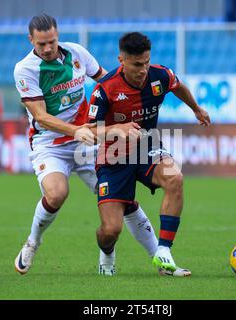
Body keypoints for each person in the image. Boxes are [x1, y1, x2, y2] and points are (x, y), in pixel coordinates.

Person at [13, 14, 162, 276]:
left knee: (123, 201)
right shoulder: (25, 69)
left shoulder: (77, 53)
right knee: (56, 194)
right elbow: (40, 116)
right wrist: (75, 130)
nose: (47, 48)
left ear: (57, 35)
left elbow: (109, 84)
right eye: (41, 44)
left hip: (90, 139)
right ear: (31, 40)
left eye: (51, 41)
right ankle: (33, 241)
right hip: (50, 143)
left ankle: (161, 259)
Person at [88, 32, 210, 276]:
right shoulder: (105, 88)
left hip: (147, 147)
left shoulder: (160, 75)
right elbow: (87, 131)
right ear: (121, 60)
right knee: (110, 230)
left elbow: (179, 86)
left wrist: (196, 108)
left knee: (174, 177)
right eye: (136, 64)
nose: (143, 69)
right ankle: (107, 253)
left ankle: (163, 251)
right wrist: (117, 129)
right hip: (113, 157)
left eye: (146, 62)